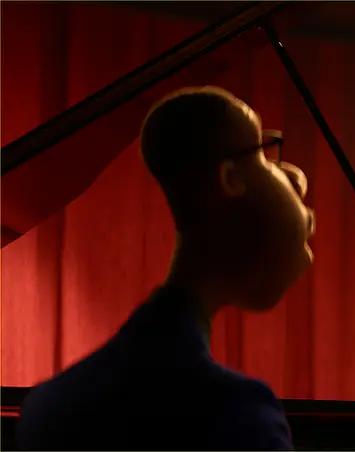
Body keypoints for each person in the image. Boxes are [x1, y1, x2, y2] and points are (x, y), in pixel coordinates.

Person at [17, 86, 314, 450]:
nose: (295, 179)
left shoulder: (47, 406)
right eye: (264, 155)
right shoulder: (234, 411)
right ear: (230, 179)